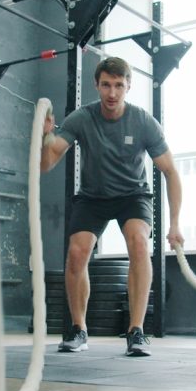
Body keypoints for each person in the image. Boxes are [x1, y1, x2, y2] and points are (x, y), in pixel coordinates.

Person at [40, 56, 184, 357]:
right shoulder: (82, 117)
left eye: (119, 86)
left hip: (133, 195)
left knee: (139, 244)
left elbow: (170, 171)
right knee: (77, 252)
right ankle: (79, 330)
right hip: (93, 196)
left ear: (128, 86)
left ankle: (136, 331)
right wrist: (45, 136)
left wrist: (175, 223)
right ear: (97, 85)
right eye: (106, 85)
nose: (112, 93)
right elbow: (47, 163)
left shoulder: (143, 121)